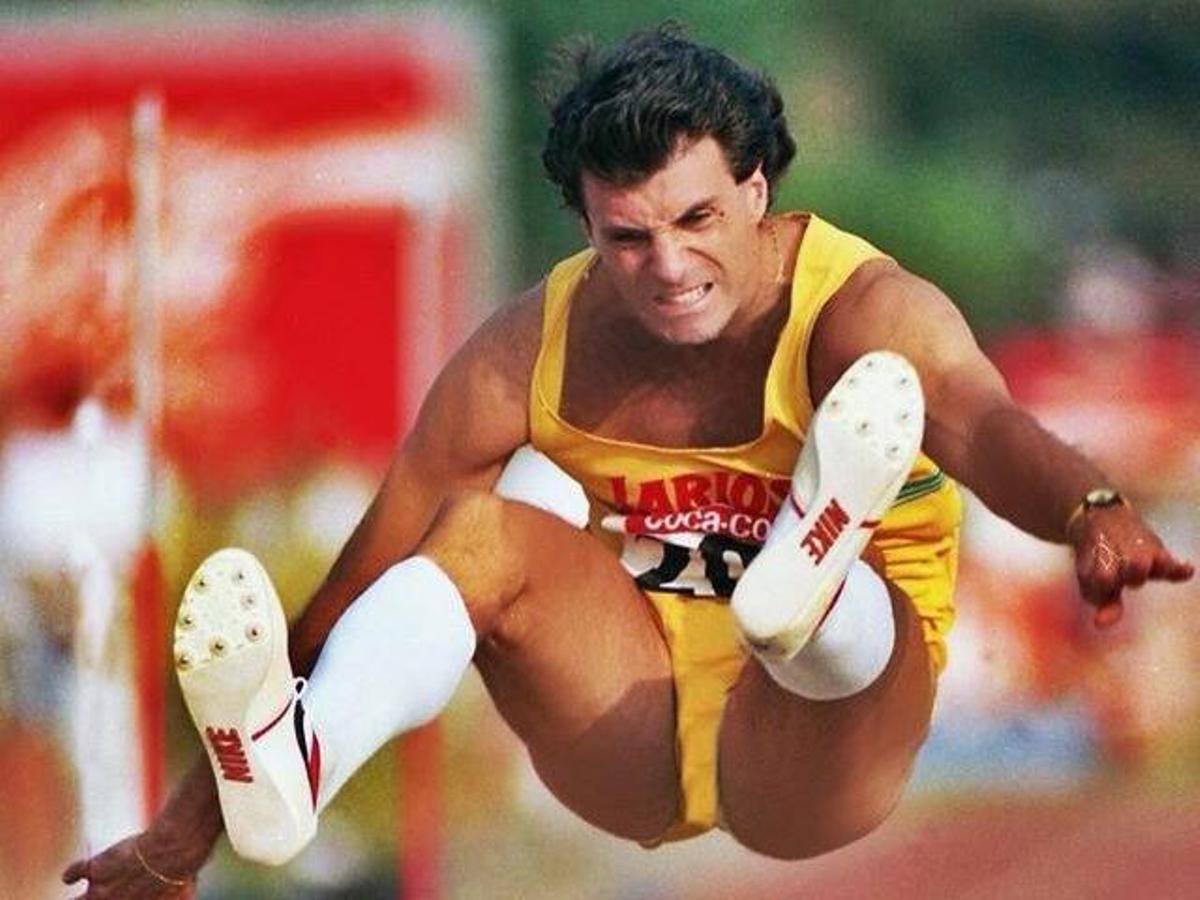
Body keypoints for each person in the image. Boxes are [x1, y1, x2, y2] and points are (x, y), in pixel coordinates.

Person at [65, 24, 1193, 898]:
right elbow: (368, 575)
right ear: (585, 228)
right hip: (629, 724)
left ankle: (807, 585)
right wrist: (191, 826)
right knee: (471, 536)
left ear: (758, 192)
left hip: (818, 747)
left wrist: (1089, 506)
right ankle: (302, 775)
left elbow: (987, 427)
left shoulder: (863, 312)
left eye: (699, 218)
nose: (670, 267)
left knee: (848, 612)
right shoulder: (529, 349)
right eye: (630, 238)